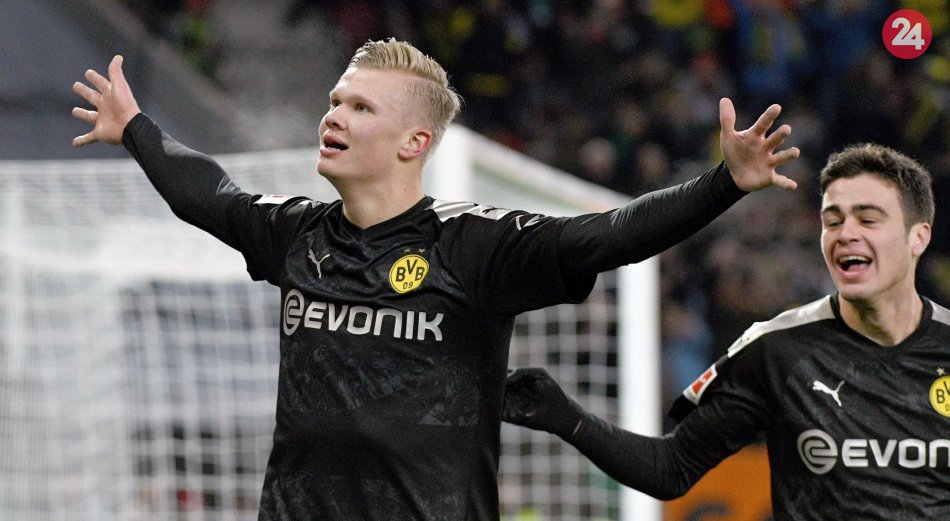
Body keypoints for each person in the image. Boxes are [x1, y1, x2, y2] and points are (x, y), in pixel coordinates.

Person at [71, 38, 799, 521]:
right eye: (335, 101)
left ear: (414, 141)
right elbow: (211, 196)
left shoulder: (475, 245)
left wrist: (723, 183)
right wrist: (135, 126)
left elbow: (610, 235)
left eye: (360, 107)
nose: (334, 115)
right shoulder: (296, 233)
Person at [504, 143, 950, 520]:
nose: (845, 233)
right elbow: (672, 467)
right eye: (833, 220)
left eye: (868, 219)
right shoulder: (777, 349)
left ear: (919, 237)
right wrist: (565, 417)